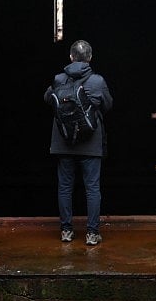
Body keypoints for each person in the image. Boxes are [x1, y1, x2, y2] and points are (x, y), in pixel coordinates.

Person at [44, 39, 113, 245]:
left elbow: (47, 99)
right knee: (92, 188)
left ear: (71, 57)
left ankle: (66, 231)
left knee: (65, 187)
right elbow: (108, 105)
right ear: (90, 58)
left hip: (63, 141)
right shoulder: (97, 81)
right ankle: (92, 233)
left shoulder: (58, 79)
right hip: (91, 143)